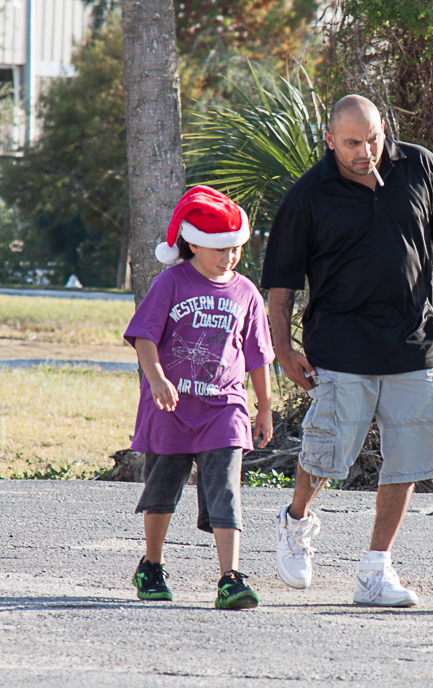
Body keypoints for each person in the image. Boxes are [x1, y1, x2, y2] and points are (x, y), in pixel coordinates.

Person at [261, 94, 433, 607]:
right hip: (340, 346)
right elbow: (280, 289)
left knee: (410, 460)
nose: (365, 151)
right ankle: (296, 521)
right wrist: (283, 351)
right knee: (325, 454)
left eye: (373, 138)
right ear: (330, 141)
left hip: (414, 343)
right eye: (352, 143)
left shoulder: (419, 166)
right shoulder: (306, 197)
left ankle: (376, 568)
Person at [126, 185, 275, 610]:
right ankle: (151, 565)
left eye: (235, 248)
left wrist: (262, 407)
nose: (229, 257)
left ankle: (230, 578)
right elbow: (143, 338)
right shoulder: (171, 282)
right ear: (193, 243)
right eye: (220, 249)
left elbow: (257, 355)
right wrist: (155, 380)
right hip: (170, 409)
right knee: (162, 491)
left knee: (226, 491)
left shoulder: (246, 291)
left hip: (224, 410)